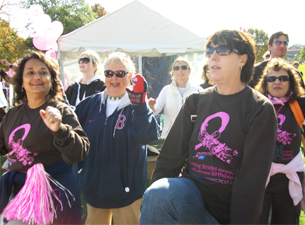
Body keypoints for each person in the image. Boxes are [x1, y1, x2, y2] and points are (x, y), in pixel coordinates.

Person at [140, 29, 278, 224]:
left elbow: (251, 182)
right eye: (210, 51)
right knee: (157, 193)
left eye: (222, 50)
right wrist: (154, 201)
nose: (213, 56)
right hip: (189, 198)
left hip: (225, 213)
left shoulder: (259, 109)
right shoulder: (195, 101)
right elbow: (170, 157)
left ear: (243, 60)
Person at [0, 51, 89, 224]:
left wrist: (59, 129)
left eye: (43, 72)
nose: (37, 77)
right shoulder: (13, 115)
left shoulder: (61, 110)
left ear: (51, 79)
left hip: (51, 197)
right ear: (22, 82)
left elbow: (79, 152)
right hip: (18, 194)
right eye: (30, 72)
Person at [75, 52, 159, 225]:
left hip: (126, 191)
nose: (114, 78)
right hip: (95, 188)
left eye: (120, 73)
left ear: (130, 76)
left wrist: (141, 106)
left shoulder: (137, 106)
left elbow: (148, 136)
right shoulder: (88, 105)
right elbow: (74, 140)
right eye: (109, 73)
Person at [254, 58, 305, 224]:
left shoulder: (300, 104)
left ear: (290, 82)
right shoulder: (255, 105)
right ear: (265, 83)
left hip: (289, 178)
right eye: (272, 78)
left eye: (283, 78)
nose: (277, 82)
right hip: (261, 177)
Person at [147, 58, 202, 139]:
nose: (180, 70)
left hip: (192, 136)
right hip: (170, 136)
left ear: (189, 71)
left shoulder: (199, 90)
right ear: (173, 72)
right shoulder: (166, 90)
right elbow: (155, 111)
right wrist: (151, 106)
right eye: (176, 68)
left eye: (183, 67)